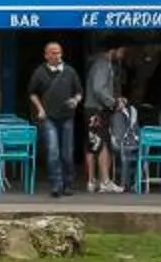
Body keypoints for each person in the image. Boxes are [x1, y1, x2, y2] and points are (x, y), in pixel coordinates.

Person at [25, 41, 83, 199]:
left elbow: (79, 92)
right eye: (53, 52)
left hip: (67, 117)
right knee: (52, 151)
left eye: (58, 52)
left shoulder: (70, 72)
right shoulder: (39, 72)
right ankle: (56, 185)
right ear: (46, 55)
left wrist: (75, 101)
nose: (56, 55)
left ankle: (68, 183)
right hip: (49, 117)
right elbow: (32, 93)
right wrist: (40, 109)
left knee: (67, 153)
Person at [83, 46, 121, 193]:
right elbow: (99, 88)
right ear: (113, 49)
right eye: (122, 51)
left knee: (92, 144)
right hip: (98, 109)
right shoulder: (103, 64)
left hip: (91, 108)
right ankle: (105, 181)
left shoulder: (96, 64)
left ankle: (92, 181)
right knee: (103, 143)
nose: (122, 55)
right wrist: (112, 102)